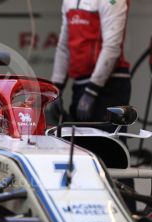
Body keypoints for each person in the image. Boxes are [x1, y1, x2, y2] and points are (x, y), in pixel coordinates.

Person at [51, 0, 131, 131]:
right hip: (81, 83)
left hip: (111, 84)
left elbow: (112, 47)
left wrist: (91, 91)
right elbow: (64, 47)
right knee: (80, 145)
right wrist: (55, 90)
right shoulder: (68, 2)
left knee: (108, 145)